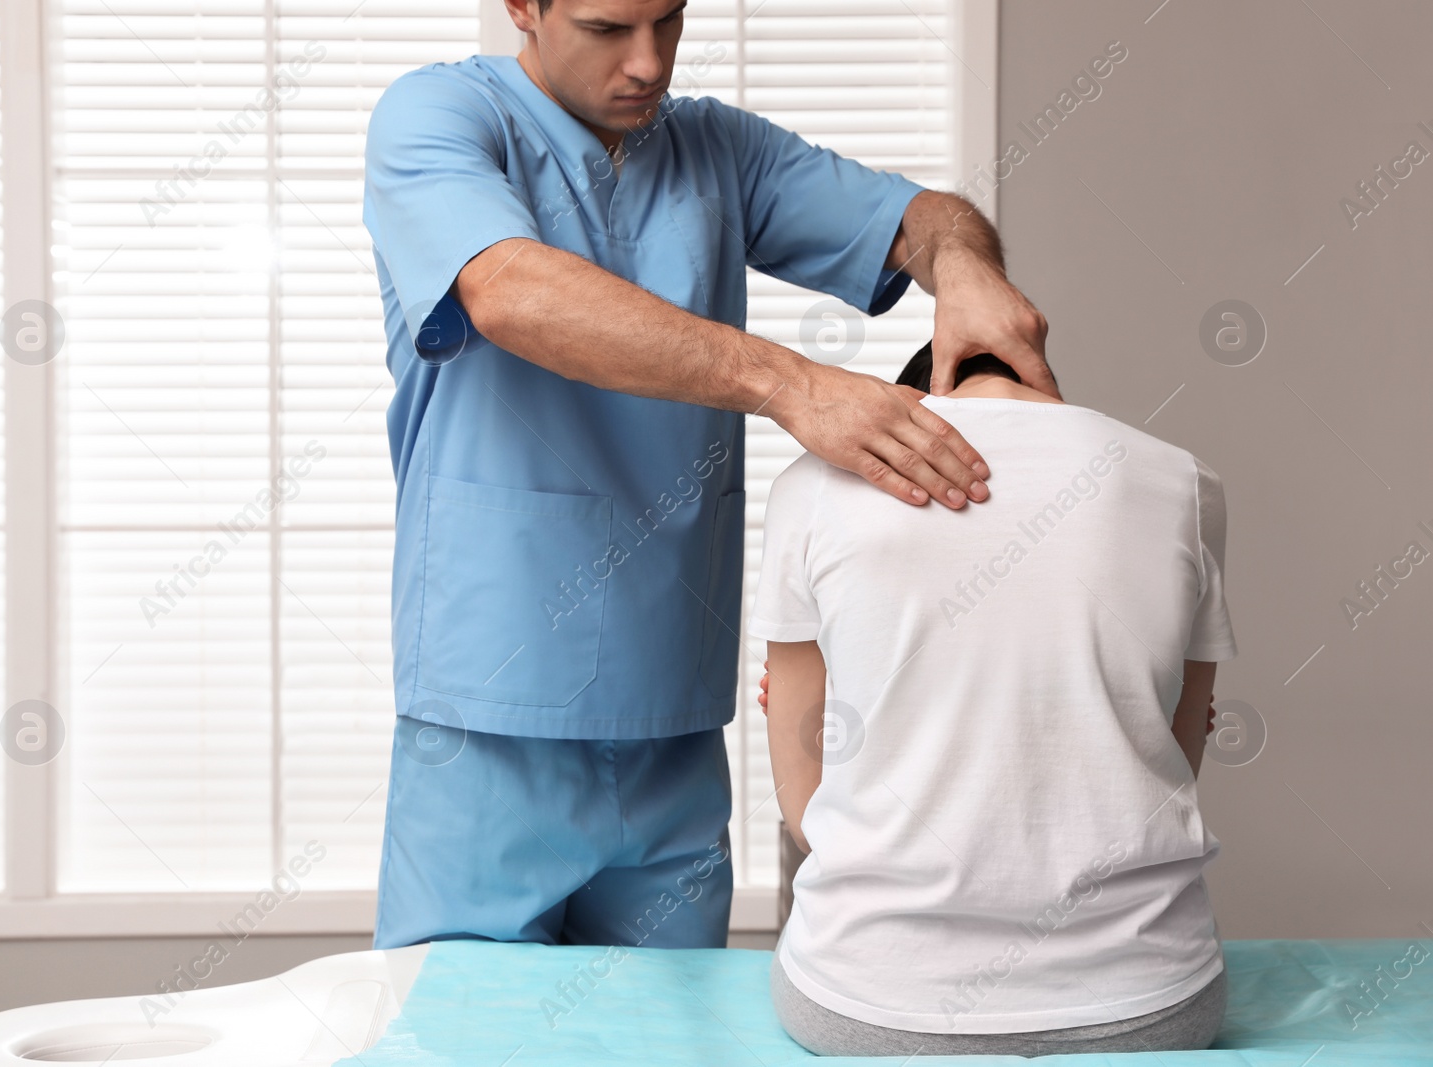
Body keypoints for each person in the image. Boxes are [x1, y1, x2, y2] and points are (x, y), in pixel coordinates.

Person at [361, 0, 1056, 950]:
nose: (649, 63)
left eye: (669, 21)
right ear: (521, 7)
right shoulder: (438, 117)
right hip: (491, 720)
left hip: (674, 725)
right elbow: (509, 290)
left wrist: (965, 265)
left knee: (674, 1035)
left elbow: (926, 219)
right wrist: (791, 384)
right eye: (609, 28)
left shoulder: (715, 150)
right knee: (465, 1035)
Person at [751, 342, 1236, 1055]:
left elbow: (805, 817)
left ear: (921, 398)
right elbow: (1174, 762)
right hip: (1150, 1002)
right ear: (1042, 384)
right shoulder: (1186, 481)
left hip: (869, 1008)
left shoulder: (813, 483)